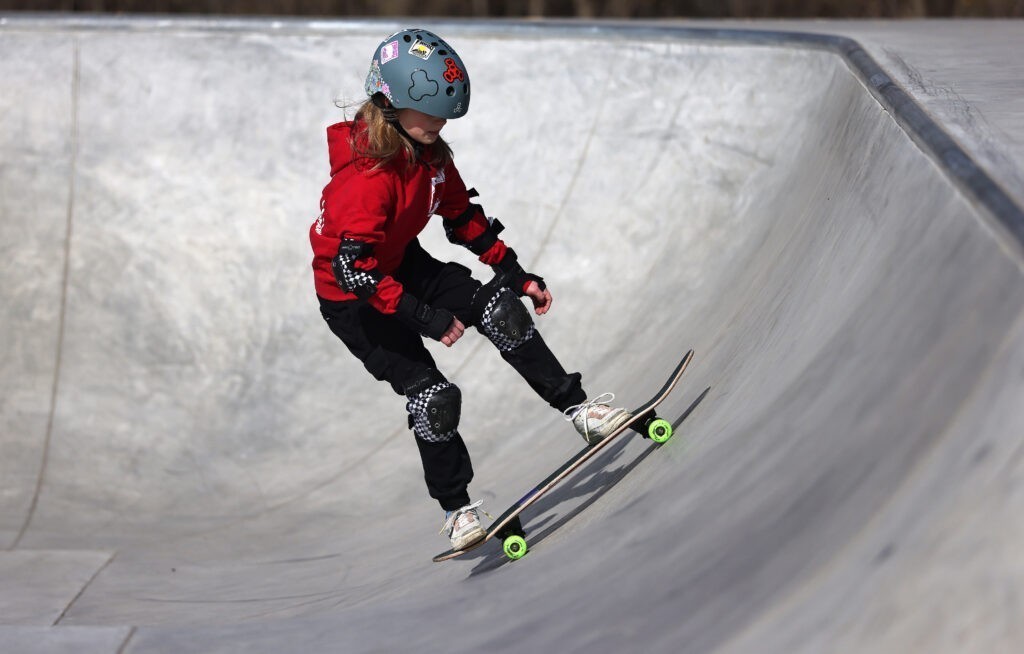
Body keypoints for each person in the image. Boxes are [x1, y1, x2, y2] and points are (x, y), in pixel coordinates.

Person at [310, 28, 635, 550]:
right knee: (434, 396)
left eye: (445, 117)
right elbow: (354, 272)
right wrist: (425, 319)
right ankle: (458, 511)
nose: (439, 126)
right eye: (431, 114)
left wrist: (518, 274)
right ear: (391, 105)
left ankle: (582, 411)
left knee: (500, 309)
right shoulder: (366, 180)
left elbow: (463, 220)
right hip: (352, 301)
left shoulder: (430, 157)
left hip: (401, 265)